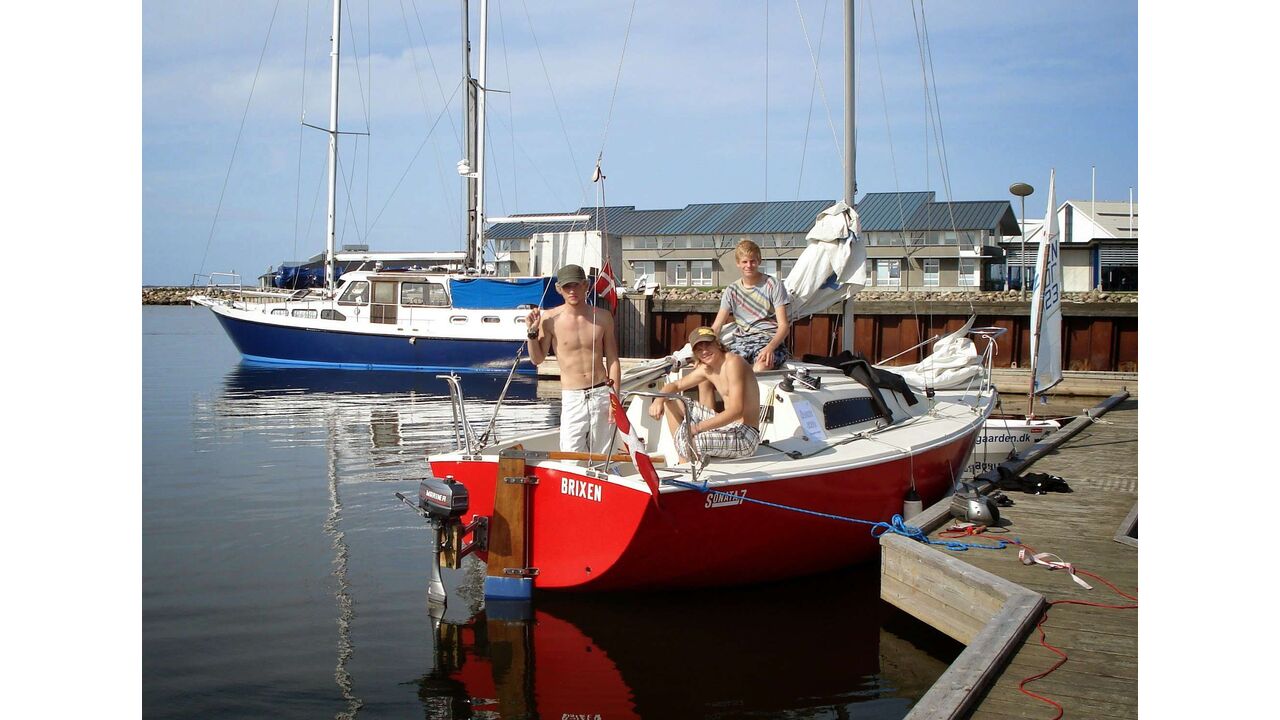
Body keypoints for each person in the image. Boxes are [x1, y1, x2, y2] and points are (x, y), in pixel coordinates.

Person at [526, 264, 622, 454]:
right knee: (571, 454)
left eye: (576, 285)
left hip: (602, 393)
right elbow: (537, 359)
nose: (572, 291)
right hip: (573, 396)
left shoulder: (603, 317)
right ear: (559, 289)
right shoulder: (549, 319)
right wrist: (531, 332)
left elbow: (613, 360)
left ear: (586, 285)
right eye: (567, 286)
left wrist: (615, 400)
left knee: (603, 455)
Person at [648, 326, 760, 464]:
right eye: (699, 349)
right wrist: (658, 400)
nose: (704, 351)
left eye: (708, 345)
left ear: (717, 343)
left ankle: (686, 462)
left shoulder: (733, 362)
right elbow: (676, 385)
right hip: (729, 427)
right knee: (670, 400)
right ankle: (684, 463)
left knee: (690, 443)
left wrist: (697, 428)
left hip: (745, 436)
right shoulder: (706, 368)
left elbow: (737, 411)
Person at [712, 239, 791, 371]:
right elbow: (717, 326)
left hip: (768, 340)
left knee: (760, 368)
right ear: (738, 263)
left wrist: (770, 348)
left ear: (759, 261)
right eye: (745, 262)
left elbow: (784, 326)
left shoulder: (774, 285)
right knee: (724, 368)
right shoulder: (731, 291)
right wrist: (707, 345)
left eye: (752, 261)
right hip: (741, 343)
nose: (749, 265)